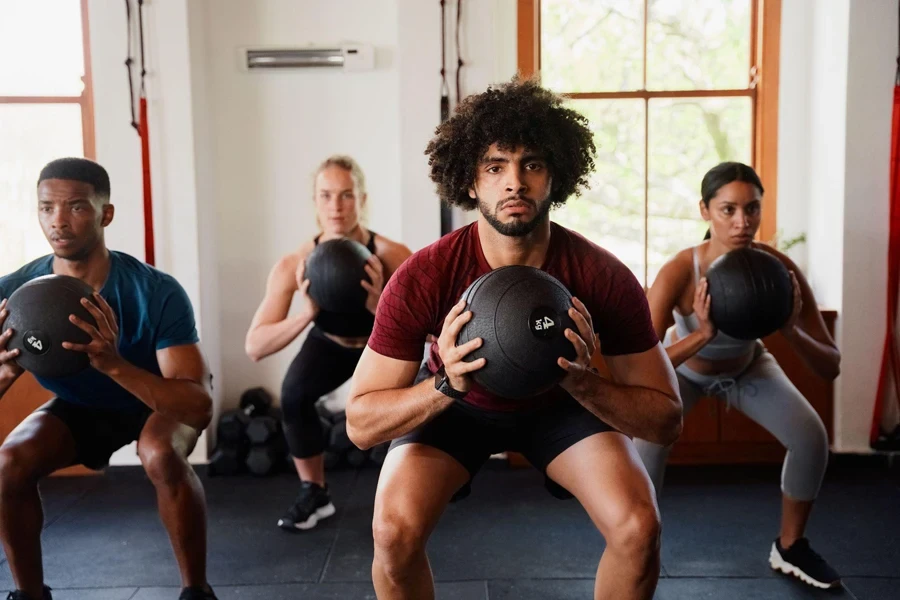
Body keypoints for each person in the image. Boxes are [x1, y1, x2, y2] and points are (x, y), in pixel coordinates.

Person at [346, 78, 683, 600]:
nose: (515, 183)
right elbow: (360, 424)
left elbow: (666, 420)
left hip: (562, 407)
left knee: (639, 529)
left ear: (556, 176)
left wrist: (586, 384)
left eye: (532, 164)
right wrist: (443, 385)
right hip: (457, 410)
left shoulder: (600, 276)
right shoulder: (425, 276)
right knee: (392, 534)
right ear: (471, 182)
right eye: (495, 166)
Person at [0, 158, 216, 600]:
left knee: (159, 454)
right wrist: (3, 375)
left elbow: (198, 406)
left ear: (106, 214)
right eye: (46, 208)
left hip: (155, 398)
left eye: (77, 207)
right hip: (78, 406)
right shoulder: (14, 295)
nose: (58, 221)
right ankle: (30, 594)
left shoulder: (155, 291)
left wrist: (114, 363)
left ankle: (196, 592)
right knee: (7, 465)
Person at [633, 162, 842, 589]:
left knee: (811, 438)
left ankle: (790, 547)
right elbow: (644, 364)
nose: (742, 222)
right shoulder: (679, 271)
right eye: (728, 210)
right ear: (705, 211)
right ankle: (639, 544)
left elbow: (830, 364)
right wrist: (704, 334)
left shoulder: (777, 269)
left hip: (748, 367)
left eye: (752, 209)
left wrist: (790, 330)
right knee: (645, 445)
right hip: (686, 372)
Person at [245, 155, 411, 532]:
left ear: (362, 199)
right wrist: (307, 314)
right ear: (315, 202)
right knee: (293, 394)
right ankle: (314, 493)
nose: (336, 206)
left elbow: (432, 329)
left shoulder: (392, 255)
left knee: (413, 404)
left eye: (346, 195)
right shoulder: (296, 264)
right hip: (329, 342)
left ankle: (413, 487)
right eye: (326, 195)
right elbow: (255, 345)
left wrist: (380, 306)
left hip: (380, 344)